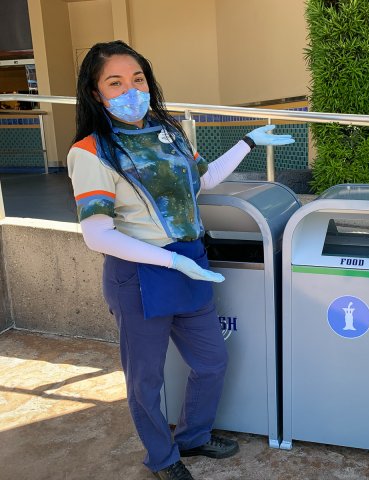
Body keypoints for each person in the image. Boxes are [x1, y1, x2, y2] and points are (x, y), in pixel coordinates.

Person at [67, 40, 294, 480]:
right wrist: (172, 263)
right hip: (139, 276)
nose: (130, 89)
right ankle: (163, 457)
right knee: (145, 381)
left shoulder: (168, 131)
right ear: (96, 93)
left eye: (137, 79)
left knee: (212, 361)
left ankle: (193, 436)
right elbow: (96, 235)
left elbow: (203, 179)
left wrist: (248, 141)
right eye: (115, 82)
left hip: (192, 262)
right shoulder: (90, 152)